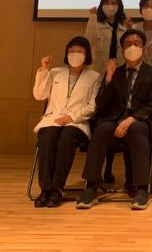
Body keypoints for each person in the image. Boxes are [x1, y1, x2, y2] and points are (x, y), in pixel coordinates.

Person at [78, 29, 152, 211]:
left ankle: (141, 188)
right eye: (128, 44)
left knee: (137, 130)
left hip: (140, 120)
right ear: (122, 49)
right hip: (115, 119)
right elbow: (101, 105)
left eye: (137, 43)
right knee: (101, 130)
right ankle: (91, 186)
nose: (132, 47)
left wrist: (132, 119)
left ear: (144, 48)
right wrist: (108, 80)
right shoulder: (115, 73)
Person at [32, 36, 101, 208]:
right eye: (71, 50)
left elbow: (93, 105)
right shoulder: (55, 72)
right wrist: (44, 70)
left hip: (77, 122)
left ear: (87, 54)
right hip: (53, 119)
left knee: (66, 137)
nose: (75, 54)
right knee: (47, 137)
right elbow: (39, 95)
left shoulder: (94, 76)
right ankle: (45, 189)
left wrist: (72, 117)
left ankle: (56, 188)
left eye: (79, 51)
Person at [84, 0, 126, 77]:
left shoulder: (123, 26)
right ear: (101, 6)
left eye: (113, 3)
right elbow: (87, 43)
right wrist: (92, 17)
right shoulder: (95, 22)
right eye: (106, 3)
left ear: (119, 6)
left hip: (118, 70)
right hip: (99, 70)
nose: (110, 6)